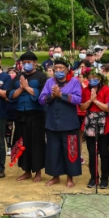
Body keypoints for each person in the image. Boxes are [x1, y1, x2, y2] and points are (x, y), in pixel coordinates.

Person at [38, 57, 82, 187]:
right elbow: (41, 100)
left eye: (61, 68)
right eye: (55, 68)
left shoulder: (74, 82)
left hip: (69, 122)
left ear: (67, 69)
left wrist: (61, 95)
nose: (58, 71)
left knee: (70, 150)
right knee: (53, 150)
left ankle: (70, 177)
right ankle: (55, 176)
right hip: (53, 122)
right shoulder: (49, 82)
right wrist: (52, 95)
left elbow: (78, 99)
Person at [9, 52, 48, 182]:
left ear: (35, 63)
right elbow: (10, 95)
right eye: (24, 62)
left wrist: (27, 87)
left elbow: (43, 95)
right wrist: (20, 89)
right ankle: (26, 171)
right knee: (22, 143)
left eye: (29, 62)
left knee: (36, 143)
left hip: (36, 115)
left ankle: (37, 172)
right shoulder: (17, 77)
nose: (26, 64)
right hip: (21, 115)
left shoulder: (42, 77)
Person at [81, 68, 109, 188]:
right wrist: (90, 100)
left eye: (95, 78)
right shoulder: (85, 90)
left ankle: (105, 178)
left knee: (104, 152)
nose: (92, 80)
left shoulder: (106, 90)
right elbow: (82, 107)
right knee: (92, 152)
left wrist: (96, 101)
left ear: (100, 78)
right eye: (90, 78)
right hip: (90, 121)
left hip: (104, 122)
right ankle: (94, 177)